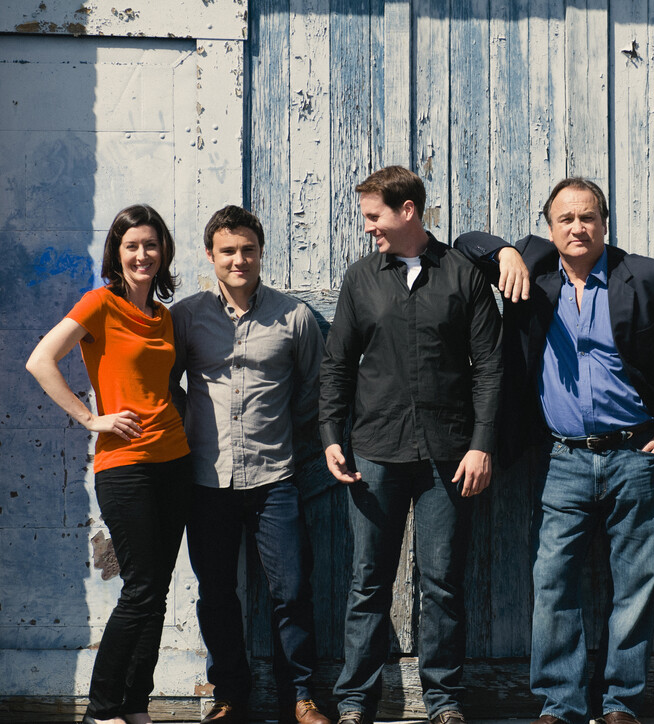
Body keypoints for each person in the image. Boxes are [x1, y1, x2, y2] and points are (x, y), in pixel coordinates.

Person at [454, 177, 654, 724]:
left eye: (589, 217)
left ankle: (621, 704)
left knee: (636, 583)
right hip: (563, 458)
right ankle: (561, 704)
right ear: (549, 228)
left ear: (604, 222)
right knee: (553, 581)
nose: (578, 227)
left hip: (637, 455)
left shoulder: (647, 277)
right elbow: (464, 243)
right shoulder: (531, 272)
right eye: (566, 219)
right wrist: (505, 249)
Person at [320, 165, 503, 724]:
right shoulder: (360, 279)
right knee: (367, 582)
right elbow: (336, 366)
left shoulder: (463, 274)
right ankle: (355, 701)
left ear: (407, 211)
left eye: (375, 217)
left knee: (443, 582)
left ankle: (443, 701)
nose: (369, 228)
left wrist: (481, 444)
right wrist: (331, 434)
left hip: (448, 456)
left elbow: (491, 368)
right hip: (374, 452)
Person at [25, 205, 191, 724]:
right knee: (141, 588)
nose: (142, 254)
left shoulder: (165, 316)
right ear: (117, 255)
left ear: (162, 251)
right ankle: (102, 709)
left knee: (157, 591)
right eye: (131, 246)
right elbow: (40, 360)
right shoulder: (100, 303)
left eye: (150, 244)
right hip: (125, 465)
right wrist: (89, 419)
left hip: (175, 459)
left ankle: (136, 706)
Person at [170, 206, 330, 724]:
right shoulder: (188, 316)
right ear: (211, 256)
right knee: (217, 593)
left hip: (274, 478)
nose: (239, 260)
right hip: (205, 480)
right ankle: (230, 698)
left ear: (261, 252)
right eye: (228, 251)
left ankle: (300, 697)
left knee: (291, 590)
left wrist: (285, 433)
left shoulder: (295, 316)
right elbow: (167, 383)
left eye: (248, 250)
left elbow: (315, 391)